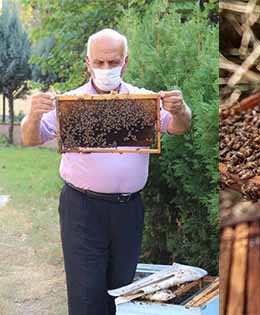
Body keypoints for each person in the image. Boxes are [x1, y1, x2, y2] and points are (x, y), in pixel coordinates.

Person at [21, 28, 192, 315]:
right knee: (86, 295)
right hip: (82, 209)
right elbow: (31, 138)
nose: (105, 68)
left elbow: (179, 126)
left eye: (113, 62)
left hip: (128, 209)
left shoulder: (143, 100)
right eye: (99, 62)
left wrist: (180, 109)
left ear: (125, 62)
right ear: (87, 62)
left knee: (123, 291)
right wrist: (34, 114)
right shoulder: (69, 103)